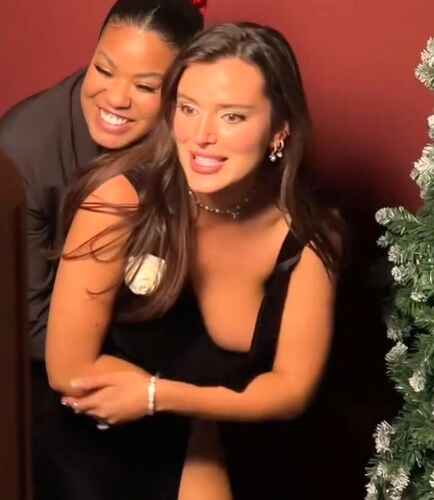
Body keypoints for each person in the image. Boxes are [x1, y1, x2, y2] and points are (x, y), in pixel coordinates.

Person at [47, 22, 344, 499]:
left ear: (280, 130)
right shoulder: (119, 203)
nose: (201, 136)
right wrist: (193, 423)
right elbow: (68, 369)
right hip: (104, 448)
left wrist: (160, 398)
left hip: (238, 448)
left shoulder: (308, 237)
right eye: (187, 108)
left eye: (232, 117)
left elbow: (291, 390)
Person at [0, 1, 203, 499]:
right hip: (40, 375)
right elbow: (27, 326)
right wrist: (152, 389)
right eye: (103, 69)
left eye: (146, 87)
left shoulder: (197, 138)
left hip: (154, 361)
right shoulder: (22, 152)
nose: (115, 98)